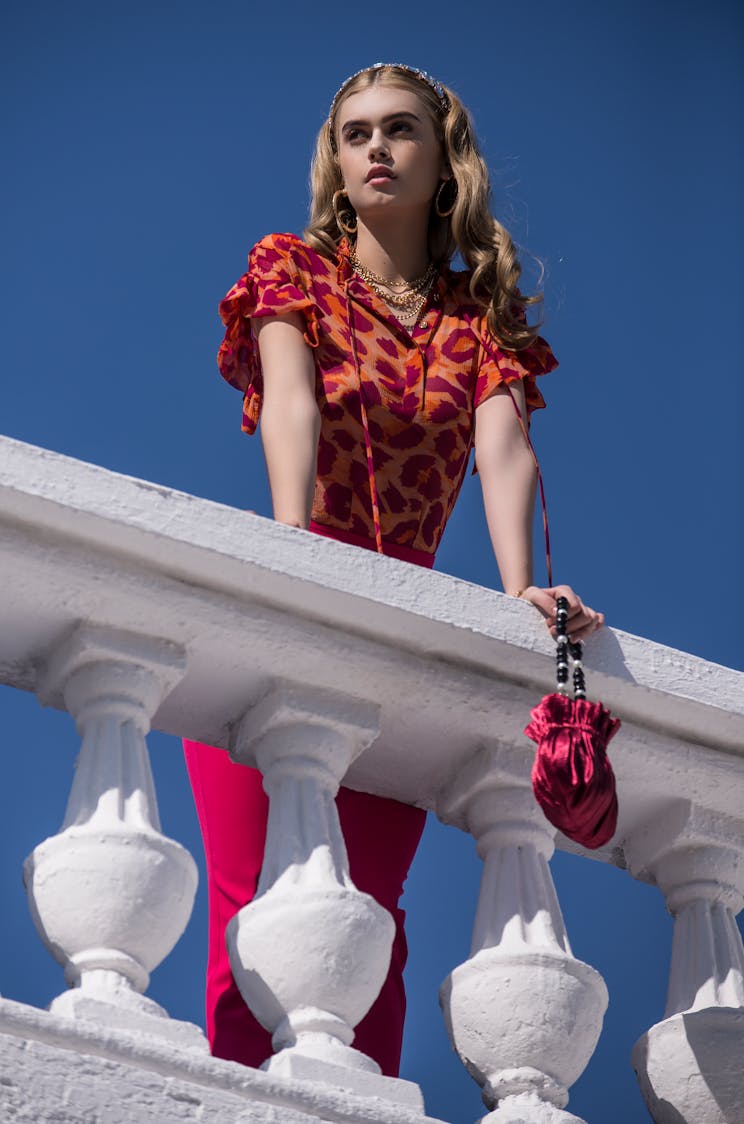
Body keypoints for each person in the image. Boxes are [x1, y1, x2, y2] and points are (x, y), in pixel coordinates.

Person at [183, 62, 603, 1080]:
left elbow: (504, 450)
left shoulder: (476, 320)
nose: (374, 148)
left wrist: (519, 593)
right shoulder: (292, 266)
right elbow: (293, 400)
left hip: (397, 640)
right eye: (355, 131)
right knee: (255, 905)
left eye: (399, 130)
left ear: (440, 157)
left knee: (366, 916)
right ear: (335, 159)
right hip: (292, 597)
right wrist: (292, 548)